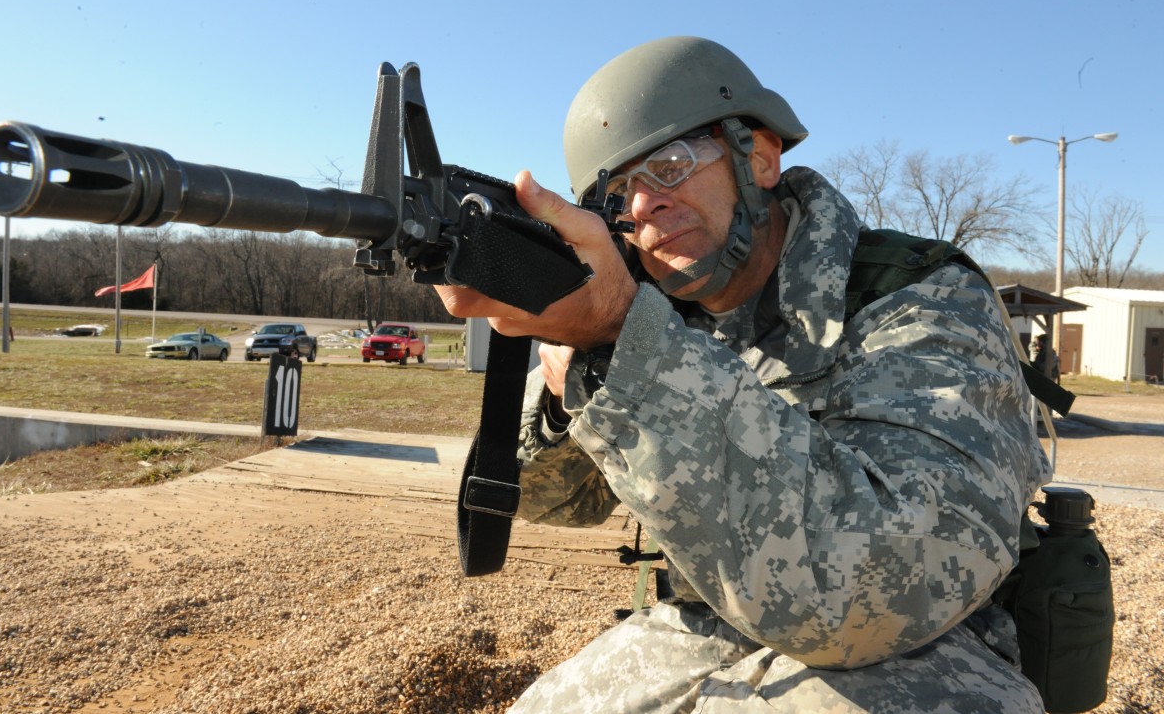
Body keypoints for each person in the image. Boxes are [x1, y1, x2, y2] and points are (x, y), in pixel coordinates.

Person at [436, 36, 1053, 713]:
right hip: (704, 630)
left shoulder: (919, 298)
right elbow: (556, 501)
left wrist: (625, 338)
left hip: (922, 650)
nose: (642, 207)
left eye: (667, 166)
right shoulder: (652, 310)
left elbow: (888, 583)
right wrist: (571, 381)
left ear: (758, 157)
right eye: (619, 193)